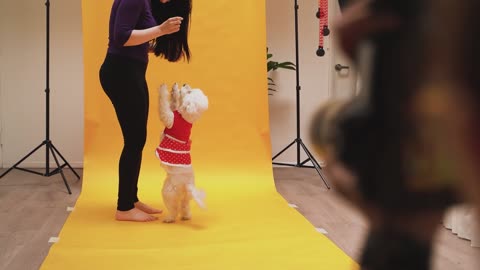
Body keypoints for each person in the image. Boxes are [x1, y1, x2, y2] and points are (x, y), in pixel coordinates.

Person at [99, 0, 192, 222]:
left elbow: (130, 39)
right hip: (122, 73)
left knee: (136, 140)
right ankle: (124, 208)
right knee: (134, 140)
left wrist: (159, 47)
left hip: (129, 71)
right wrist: (161, 30)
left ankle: (131, 199)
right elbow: (121, 37)